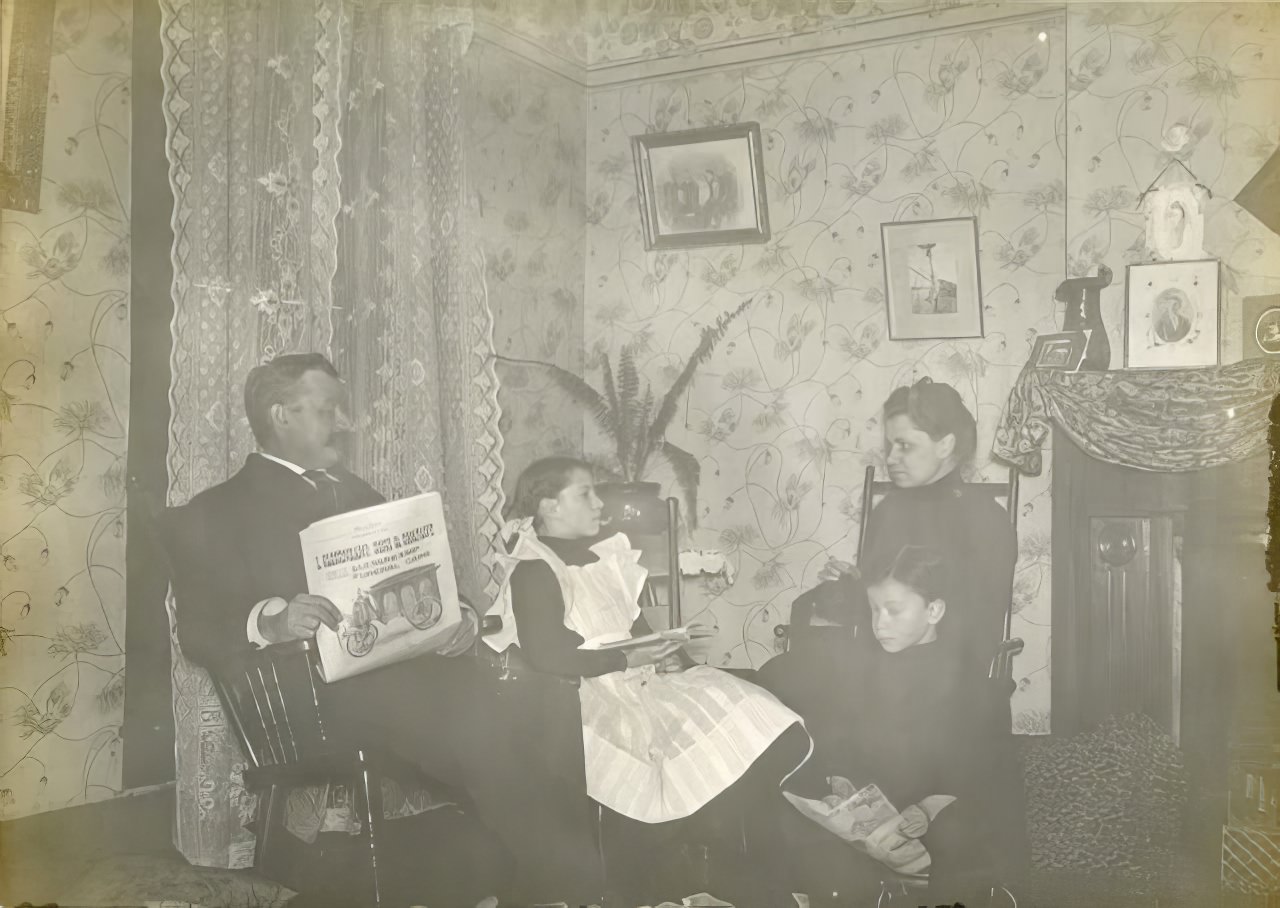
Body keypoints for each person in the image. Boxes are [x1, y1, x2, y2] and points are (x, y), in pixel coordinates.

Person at [164, 353, 587, 904]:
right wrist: (270, 620)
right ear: (279, 415)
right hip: (305, 697)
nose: (343, 423)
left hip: (397, 682)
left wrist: (453, 616)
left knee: (537, 701)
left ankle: (538, 882)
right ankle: (564, 887)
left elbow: (421, 572)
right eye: (327, 410)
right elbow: (197, 630)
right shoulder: (214, 511)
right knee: (482, 723)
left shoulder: (354, 491)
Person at [488, 455, 811, 907]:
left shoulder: (607, 559)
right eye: (586, 493)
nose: (600, 504)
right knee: (658, 755)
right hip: (586, 696)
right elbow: (546, 654)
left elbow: (638, 628)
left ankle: (718, 858)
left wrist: (670, 655)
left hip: (637, 679)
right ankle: (684, 869)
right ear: (548, 506)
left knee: (746, 706)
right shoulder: (534, 567)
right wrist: (627, 657)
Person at [780, 546, 1022, 906]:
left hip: (947, 810)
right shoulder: (865, 674)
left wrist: (925, 810)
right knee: (795, 822)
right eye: (874, 610)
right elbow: (848, 743)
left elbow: (980, 776)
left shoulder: (972, 687)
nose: (880, 623)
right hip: (885, 808)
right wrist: (842, 782)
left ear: (934, 610)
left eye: (894, 610)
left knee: (953, 833)